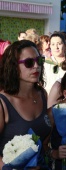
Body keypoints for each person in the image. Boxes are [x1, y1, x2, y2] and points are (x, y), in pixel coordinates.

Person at [0, 40, 52, 169]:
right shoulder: (3, 103)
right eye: (29, 63)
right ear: (13, 67)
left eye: (39, 61)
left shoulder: (42, 94)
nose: (36, 66)